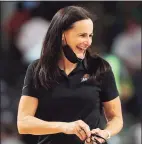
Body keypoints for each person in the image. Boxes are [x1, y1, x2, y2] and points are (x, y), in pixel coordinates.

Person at [17, 6, 123, 144]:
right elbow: (23, 123)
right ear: (62, 35)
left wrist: (105, 133)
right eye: (82, 35)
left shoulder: (100, 67)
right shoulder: (37, 69)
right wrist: (64, 127)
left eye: (90, 35)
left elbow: (116, 118)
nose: (88, 42)